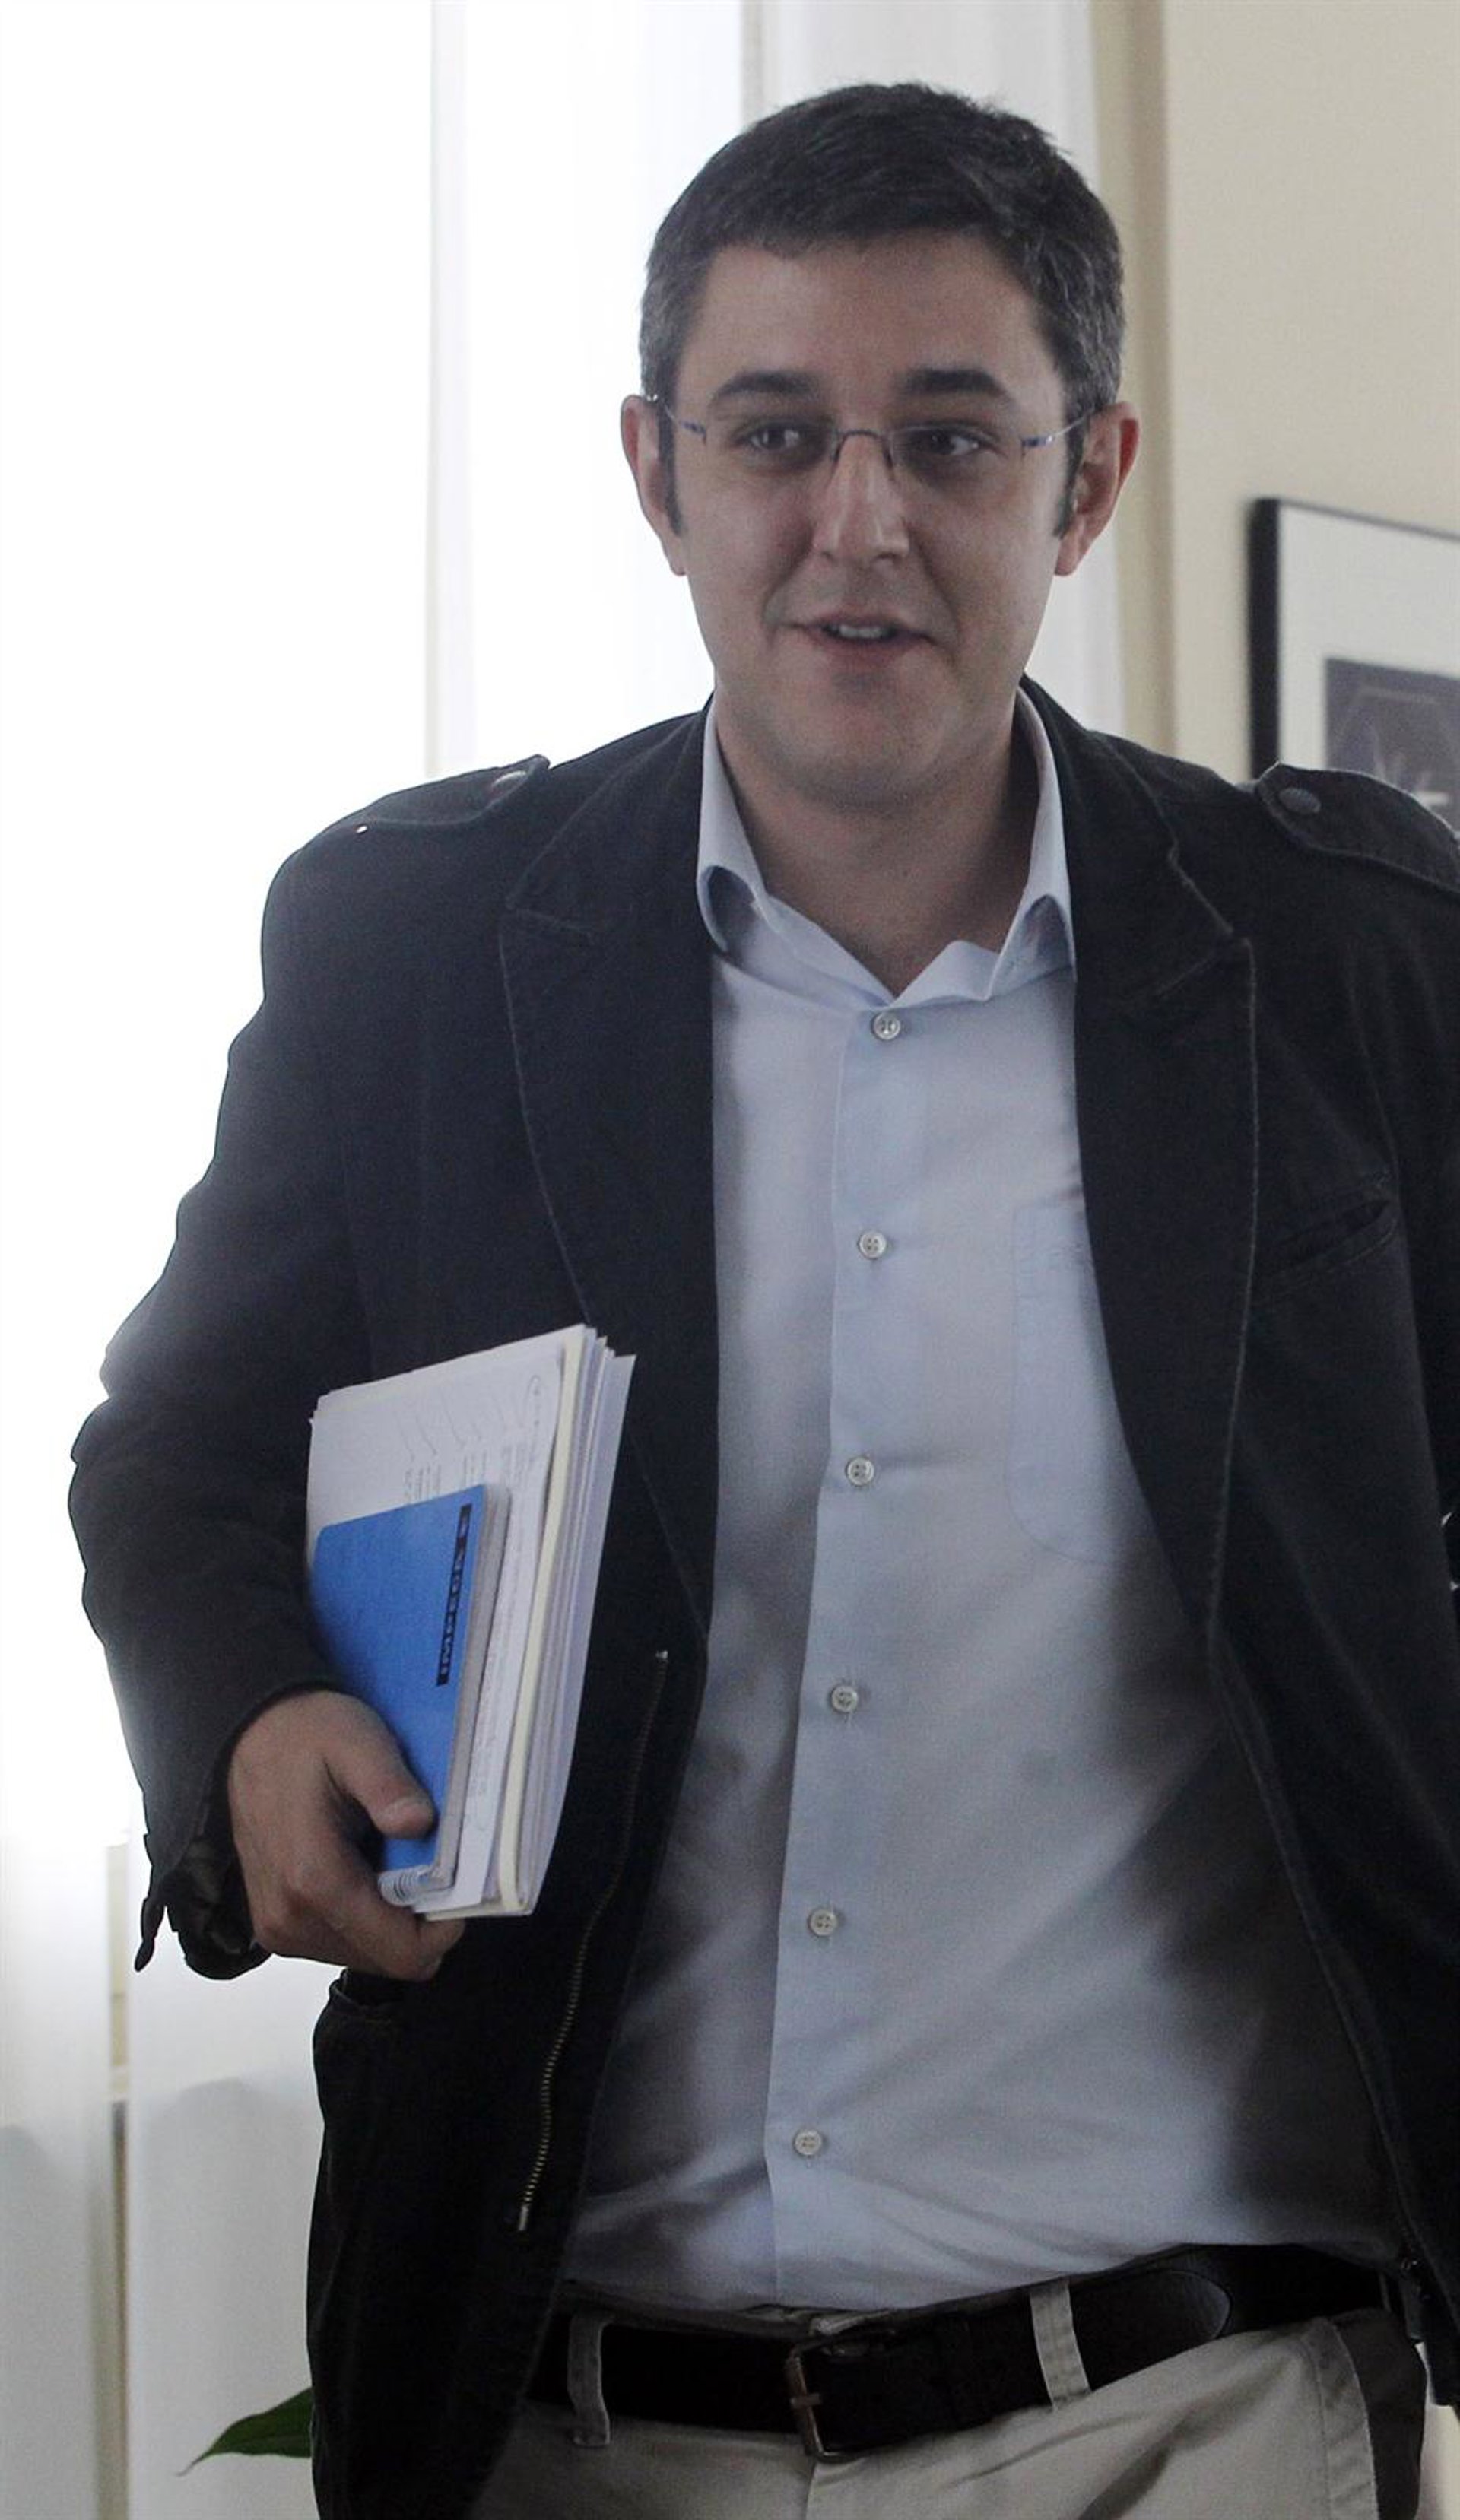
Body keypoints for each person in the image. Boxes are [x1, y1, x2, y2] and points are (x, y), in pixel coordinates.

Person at [71, 80, 1458, 2520]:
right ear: (657, 471)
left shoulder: (1356, 968)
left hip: (1199, 2414)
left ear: (1087, 479)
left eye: (952, 437)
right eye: (779, 432)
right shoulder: (416, 955)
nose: (860, 521)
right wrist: (248, 1717)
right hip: (570, 2426)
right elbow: (172, 1462)